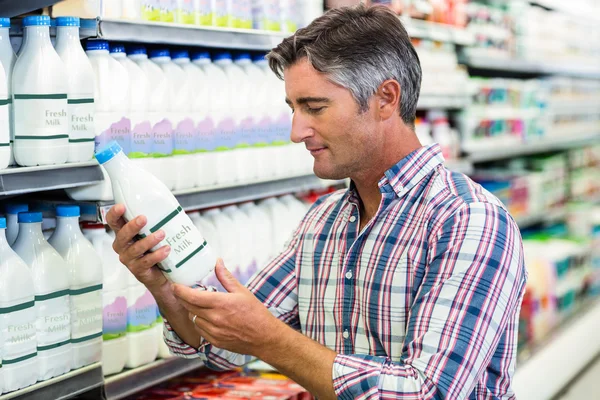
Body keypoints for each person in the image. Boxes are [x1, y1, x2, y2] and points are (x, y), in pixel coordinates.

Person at [107, 4, 527, 399]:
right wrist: (162, 283)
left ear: (386, 98)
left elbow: (427, 392)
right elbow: (224, 346)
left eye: (314, 107)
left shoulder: (469, 220)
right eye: (293, 108)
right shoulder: (324, 222)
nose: (296, 131)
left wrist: (270, 339)